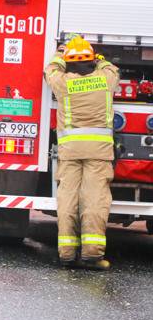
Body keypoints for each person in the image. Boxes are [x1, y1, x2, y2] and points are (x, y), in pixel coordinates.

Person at [44, 36, 119, 270]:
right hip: (99, 153)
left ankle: (66, 254)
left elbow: (51, 70)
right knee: (94, 201)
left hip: (70, 152)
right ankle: (92, 255)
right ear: (90, 60)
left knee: (67, 200)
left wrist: (60, 53)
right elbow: (111, 67)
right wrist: (98, 58)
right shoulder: (105, 79)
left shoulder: (63, 82)